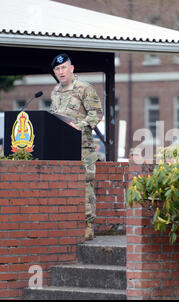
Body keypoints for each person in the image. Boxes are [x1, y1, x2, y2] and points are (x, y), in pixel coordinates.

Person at [50, 53, 103, 240]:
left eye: (64, 67)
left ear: (72, 68)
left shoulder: (84, 88)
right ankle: (67, 223)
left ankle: (87, 226)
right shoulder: (55, 92)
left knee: (85, 185)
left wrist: (77, 126)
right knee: (64, 184)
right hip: (62, 147)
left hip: (83, 147)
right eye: (57, 69)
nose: (61, 71)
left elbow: (97, 114)